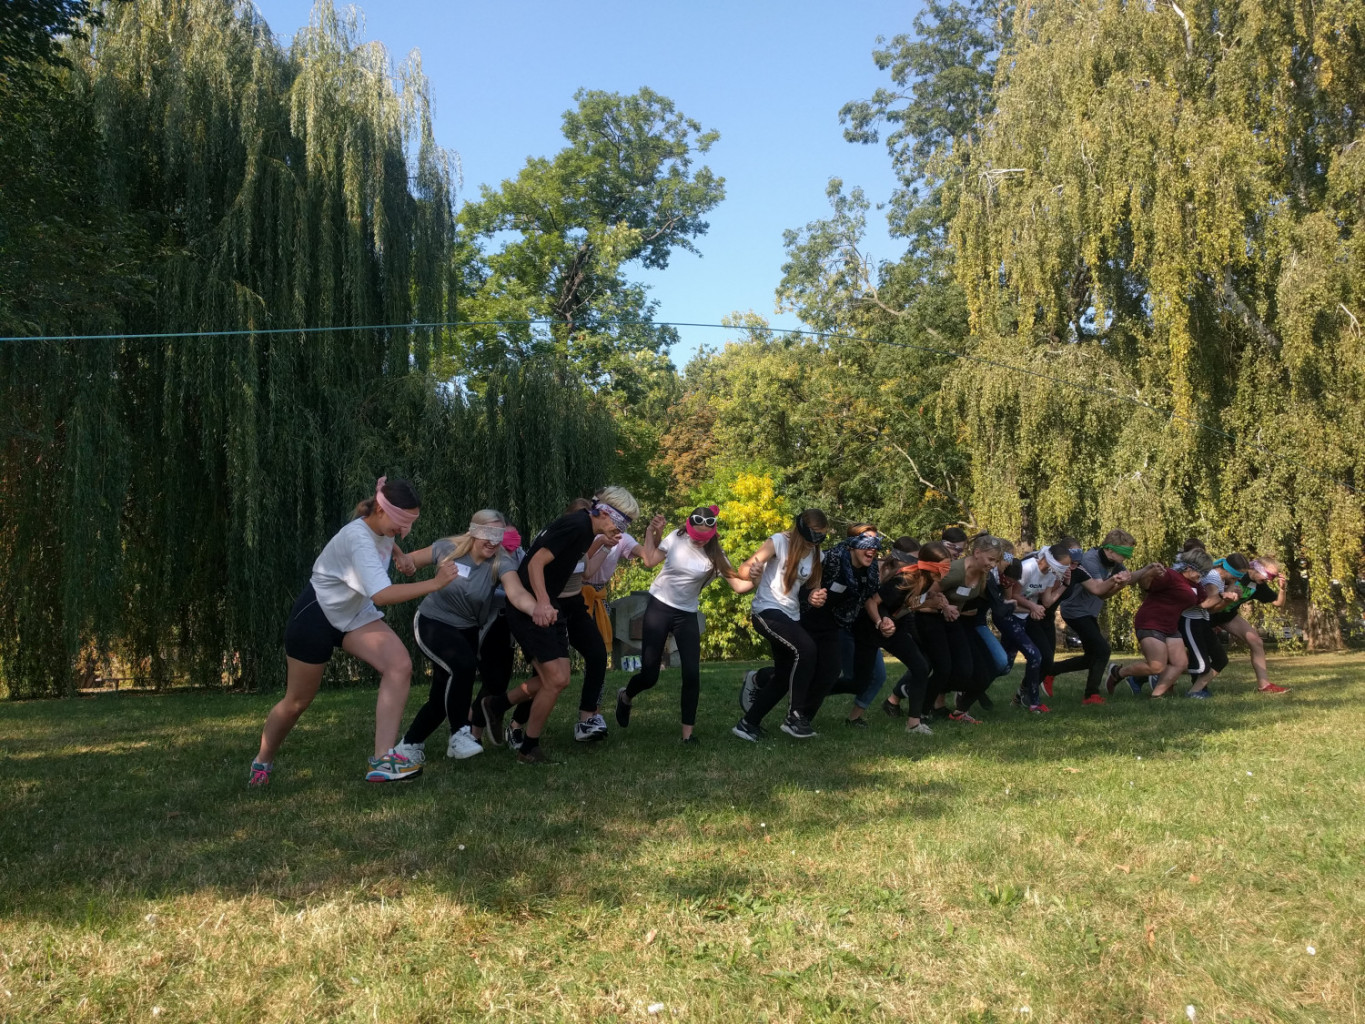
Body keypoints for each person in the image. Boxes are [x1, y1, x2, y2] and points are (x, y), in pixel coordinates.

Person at [250, 477, 457, 786]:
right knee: (296, 702)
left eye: (409, 524)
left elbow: (384, 538)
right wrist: (435, 583)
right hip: (316, 616)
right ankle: (262, 761)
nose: (404, 530)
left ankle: (383, 760)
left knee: (399, 665)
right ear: (381, 510)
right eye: (401, 523)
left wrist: (399, 553)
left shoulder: (380, 526)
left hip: (353, 614)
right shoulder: (357, 539)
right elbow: (382, 595)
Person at [481, 486, 640, 763]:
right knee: (554, 679)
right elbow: (535, 563)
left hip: (550, 605)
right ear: (604, 512)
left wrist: (602, 544)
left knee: (560, 678)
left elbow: (578, 566)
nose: (622, 530)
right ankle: (527, 747)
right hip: (530, 607)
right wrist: (542, 602)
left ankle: (498, 705)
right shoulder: (577, 525)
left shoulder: (586, 529)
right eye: (621, 523)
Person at [391, 511, 539, 765]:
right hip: (433, 622)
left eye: (499, 535)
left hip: (467, 630)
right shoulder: (447, 548)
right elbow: (411, 561)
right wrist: (406, 564)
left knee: (441, 699)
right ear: (473, 531)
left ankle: (408, 745)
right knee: (464, 665)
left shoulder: (501, 561)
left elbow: (515, 593)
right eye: (488, 534)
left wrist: (537, 609)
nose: (493, 541)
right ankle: (460, 732)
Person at [615, 506, 754, 742]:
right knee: (649, 675)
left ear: (713, 533)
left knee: (691, 674)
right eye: (695, 535)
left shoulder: (716, 555)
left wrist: (757, 576)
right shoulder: (676, 538)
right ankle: (625, 696)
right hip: (660, 606)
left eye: (704, 537)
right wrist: (650, 533)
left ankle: (687, 736)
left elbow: (740, 586)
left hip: (686, 614)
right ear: (688, 528)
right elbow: (650, 561)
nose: (699, 540)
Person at [732, 509, 829, 741]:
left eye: (820, 537)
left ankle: (748, 724)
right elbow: (744, 569)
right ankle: (794, 716)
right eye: (811, 536)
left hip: (791, 615)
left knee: (784, 676)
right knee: (807, 649)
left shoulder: (817, 554)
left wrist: (815, 596)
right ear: (801, 529)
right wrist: (752, 570)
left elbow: (812, 588)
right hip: (767, 611)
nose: (814, 543)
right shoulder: (778, 542)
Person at [1050, 530, 1161, 704]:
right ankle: (1091, 695)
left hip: (1088, 612)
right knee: (1103, 650)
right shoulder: (1090, 560)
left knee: (1092, 657)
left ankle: (1049, 671)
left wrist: (1148, 569)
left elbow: (1129, 578)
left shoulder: (1114, 562)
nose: (1127, 557)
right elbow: (1101, 593)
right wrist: (1118, 583)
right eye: (1124, 552)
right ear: (1109, 549)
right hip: (1075, 611)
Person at [852, 538, 936, 734]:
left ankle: (913, 723)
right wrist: (881, 621)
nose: (915, 564)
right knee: (860, 681)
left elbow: (906, 605)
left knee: (920, 667)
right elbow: (873, 602)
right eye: (912, 560)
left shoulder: (920, 578)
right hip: (869, 628)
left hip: (895, 627)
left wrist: (933, 601)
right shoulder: (896, 577)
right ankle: (813, 695)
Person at [919, 534, 1006, 723]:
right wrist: (945, 607)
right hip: (931, 620)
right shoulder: (955, 571)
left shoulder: (983, 574)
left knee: (982, 673)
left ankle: (958, 711)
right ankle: (921, 710)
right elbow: (926, 594)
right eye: (991, 559)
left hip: (955, 622)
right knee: (944, 669)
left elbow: (977, 597)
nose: (993, 564)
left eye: (996, 561)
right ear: (977, 553)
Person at [1105, 549, 1211, 698]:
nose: (1203, 576)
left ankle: (1156, 696)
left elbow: (1205, 603)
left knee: (1180, 663)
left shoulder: (1196, 586)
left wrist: (1225, 596)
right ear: (1189, 568)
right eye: (1201, 572)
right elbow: (1145, 585)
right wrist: (1150, 573)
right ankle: (1118, 672)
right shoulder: (1170, 575)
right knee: (1157, 666)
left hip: (1171, 626)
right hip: (1151, 622)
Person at [1000, 543, 1072, 711]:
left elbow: (1046, 601)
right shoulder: (1028, 568)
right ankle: (969, 687)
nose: (1066, 569)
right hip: (1012, 617)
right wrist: (1032, 606)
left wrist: (1065, 584)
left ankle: (1031, 701)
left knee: (1042, 658)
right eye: (1064, 566)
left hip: (1027, 618)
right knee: (1003, 665)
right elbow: (1013, 595)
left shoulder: (1051, 574)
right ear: (1051, 560)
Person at [1210, 556, 1290, 694]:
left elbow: (1278, 603)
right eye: (1269, 575)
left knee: (1256, 641)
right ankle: (1174, 674)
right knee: (1197, 654)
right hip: (1207, 614)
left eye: (1273, 577)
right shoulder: (1237, 574)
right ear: (1256, 568)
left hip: (1227, 616)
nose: (1269, 580)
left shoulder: (1259, 585)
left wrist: (1282, 589)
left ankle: (1264, 686)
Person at [1180, 553, 1249, 698]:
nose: (1238, 580)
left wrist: (1231, 591)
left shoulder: (1221, 579)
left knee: (1220, 659)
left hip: (1203, 621)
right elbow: (1208, 606)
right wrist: (1227, 599)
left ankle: (1195, 691)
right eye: (1237, 576)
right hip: (1191, 621)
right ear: (1229, 570)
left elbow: (1212, 609)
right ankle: (1152, 674)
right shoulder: (1212, 578)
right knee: (1199, 664)